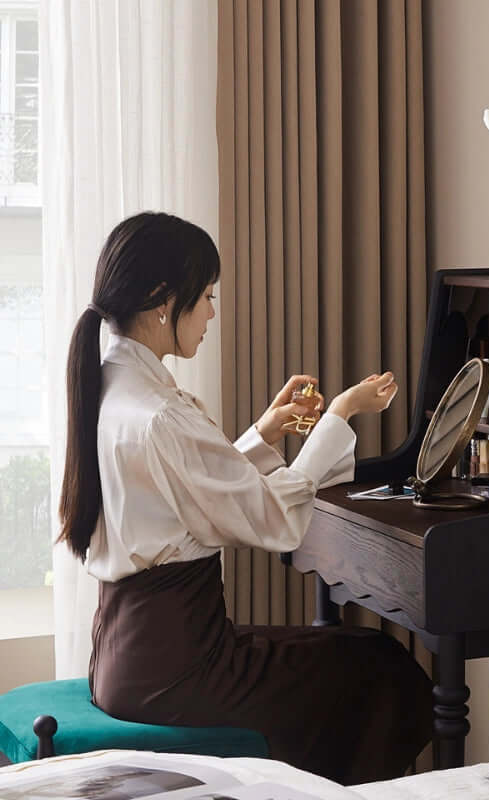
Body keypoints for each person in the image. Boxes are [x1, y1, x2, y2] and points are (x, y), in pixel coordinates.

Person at [58, 212, 432, 785]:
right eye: (206, 296)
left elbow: (186, 491)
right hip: (182, 671)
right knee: (379, 667)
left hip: (124, 660)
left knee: (345, 652)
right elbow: (275, 521)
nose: (211, 313)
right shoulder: (160, 413)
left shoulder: (113, 386)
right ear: (163, 299)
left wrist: (266, 432)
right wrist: (339, 415)